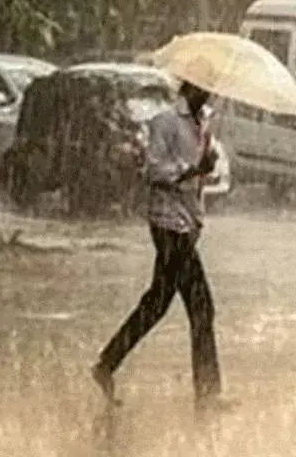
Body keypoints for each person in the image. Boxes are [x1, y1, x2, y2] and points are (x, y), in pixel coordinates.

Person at [92, 80, 223, 411]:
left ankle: (107, 363)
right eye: (202, 88)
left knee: (157, 303)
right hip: (168, 224)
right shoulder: (165, 122)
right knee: (202, 307)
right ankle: (207, 394)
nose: (207, 95)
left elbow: (201, 175)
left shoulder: (204, 122)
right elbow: (154, 170)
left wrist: (207, 164)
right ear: (188, 88)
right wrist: (192, 170)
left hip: (188, 221)